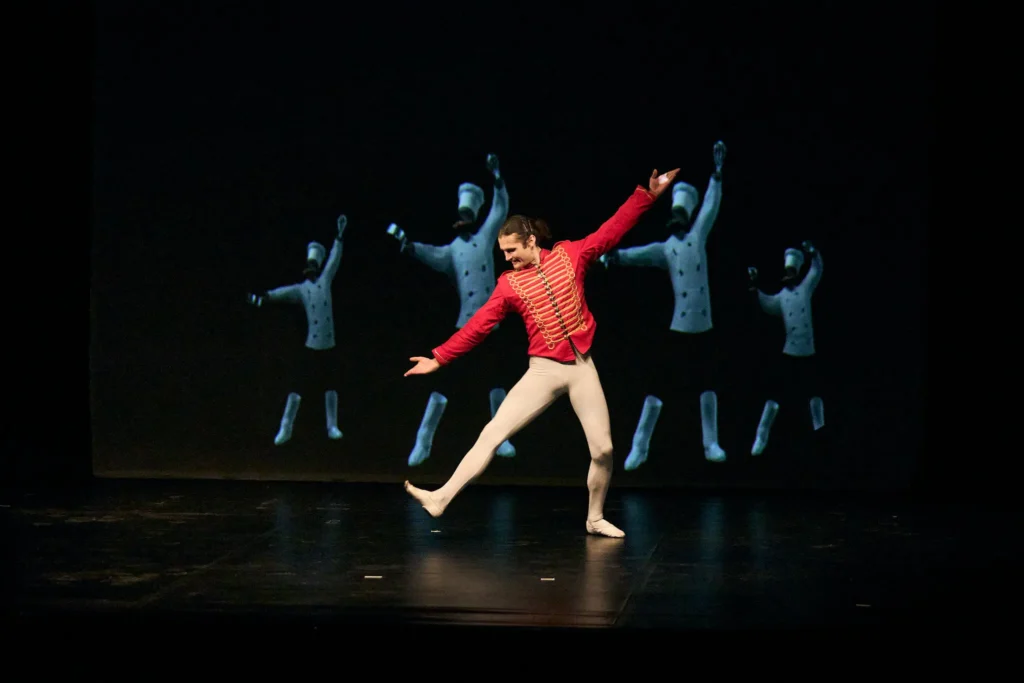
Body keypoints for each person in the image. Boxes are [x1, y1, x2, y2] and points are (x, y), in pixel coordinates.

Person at [402, 167, 680, 538]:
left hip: (582, 367)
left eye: (512, 250)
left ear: (531, 241)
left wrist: (646, 196)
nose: (507, 258)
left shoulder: (570, 255)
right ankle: (441, 498)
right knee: (492, 433)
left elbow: (611, 231)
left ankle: (594, 517)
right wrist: (439, 357)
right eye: (503, 252)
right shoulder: (509, 285)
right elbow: (478, 325)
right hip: (544, 371)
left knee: (604, 450)